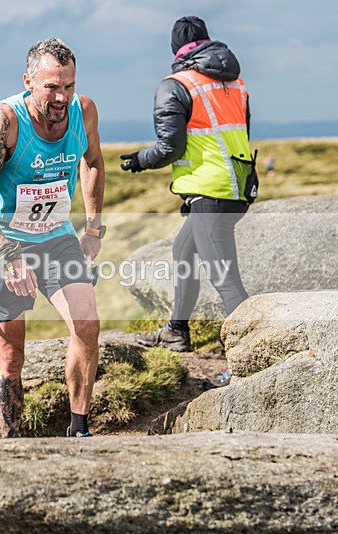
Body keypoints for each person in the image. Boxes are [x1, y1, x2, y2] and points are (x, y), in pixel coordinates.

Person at [0, 38, 106, 438]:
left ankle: (79, 429)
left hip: (57, 237)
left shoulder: (84, 111)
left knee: (87, 323)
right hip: (6, 241)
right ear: (29, 81)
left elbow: (93, 163)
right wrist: (8, 255)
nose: (61, 97)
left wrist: (93, 227)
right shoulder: (6, 121)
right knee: (11, 354)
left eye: (68, 86)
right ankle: (10, 446)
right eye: (51, 87)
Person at [120, 16, 257, 352]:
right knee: (183, 252)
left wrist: (141, 160)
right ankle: (175, 331)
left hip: (210, 192)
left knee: (226, 282)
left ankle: (252, 357)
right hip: (237, 185)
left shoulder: (175, 85)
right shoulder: (236, 83)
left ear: (175, 48)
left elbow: (170, 146)